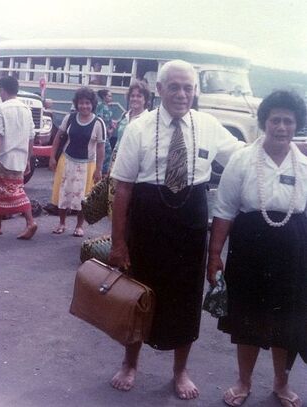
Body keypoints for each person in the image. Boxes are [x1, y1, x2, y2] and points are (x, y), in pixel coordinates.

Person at [108, 59, 244, 399]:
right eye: (174, 87)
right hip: (148, 221)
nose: (182, 94)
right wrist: (118, 243)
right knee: (139, 297)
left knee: (185, 301)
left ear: (195, 91)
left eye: (188, 88)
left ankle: (180, 371)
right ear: (159, 90)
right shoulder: (139, 127)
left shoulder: (209, 125)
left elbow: (243, 158)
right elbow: (122, 188)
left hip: (191, 225)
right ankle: (130, 364)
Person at [207, 90, 307, 407]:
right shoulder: (243, 159)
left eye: (288, 121)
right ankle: (243, 382)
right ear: (264, 122)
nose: (281, 127)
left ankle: (281, 383)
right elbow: (223, 210)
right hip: (250, 254)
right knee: (247, 320)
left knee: (287, 324)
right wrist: (214, 256)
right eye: (275, 120)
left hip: (294, 257)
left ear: (296, 125)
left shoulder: (304, 164)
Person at [0, 76, 37, 239]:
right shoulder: (26, 109)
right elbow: (31, 135)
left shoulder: (1, 108)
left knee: (11, 191)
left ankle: (29, 222)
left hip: (3, 157)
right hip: (19, 157)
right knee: (4, 190)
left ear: (2, 90)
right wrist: (28, 158)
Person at [49, 87, 106, 237]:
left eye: (87, 103)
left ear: (92, 104)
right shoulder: (70, 118)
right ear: (76, 104)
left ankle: (79, 226)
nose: (84, 106)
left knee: (83, 197)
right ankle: (61, 223)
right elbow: (58, 138)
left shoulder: (99, 123)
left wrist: (99, 169)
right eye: (81, 103)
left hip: (87, 165)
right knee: (64, 193)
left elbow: (101, 148)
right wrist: (52, 157)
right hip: (66, 161)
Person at [107, 80, 150, 217]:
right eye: (132, 95)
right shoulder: (125, 115)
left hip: (134, 164)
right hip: (117, 160)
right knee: (114, 201)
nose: (135, 99)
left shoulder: (147, 119)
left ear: (145, 99)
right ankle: (115, 234)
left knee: (129, 202)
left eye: (139, 96)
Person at [95, 89, 115, 174]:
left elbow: (109, 120)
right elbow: (100, 119)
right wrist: (107, 130)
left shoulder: (108, 107)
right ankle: (101, 171)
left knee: (107, 151)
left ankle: (103, 171)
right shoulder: (100, 106)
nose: (111, 98)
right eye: (109, 96)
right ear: (104, 97)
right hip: (102, 133)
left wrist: (112, 127)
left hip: (107, 133)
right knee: (107, 150)